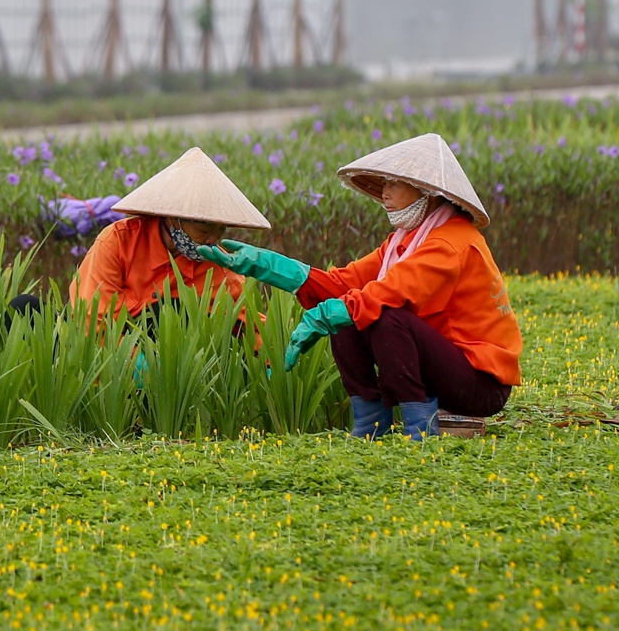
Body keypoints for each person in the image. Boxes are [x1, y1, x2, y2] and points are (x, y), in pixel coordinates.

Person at [200, 132, 521, 440]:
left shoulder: (451, 242)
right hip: (444, 371)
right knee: (351, 308)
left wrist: (327, 314)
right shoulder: (404, 242)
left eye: (394, 183)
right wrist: (264, 264)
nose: (384, 193)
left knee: (380, 314)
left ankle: (419, 429)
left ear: (427, 191)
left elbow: (389, 292)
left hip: (479, 384)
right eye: (384, 183)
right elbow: (341, 284)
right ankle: (371, 422)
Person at [68, 146, 268, 336]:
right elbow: (91, 321)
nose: (213, 240)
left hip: (174, 353)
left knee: (177, 310)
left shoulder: (220, 270)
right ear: (173, 218)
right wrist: (135, 358)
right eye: (203, 230)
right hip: (113, 348)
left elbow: (251, 329)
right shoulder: (118, 242)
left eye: (221, 230)